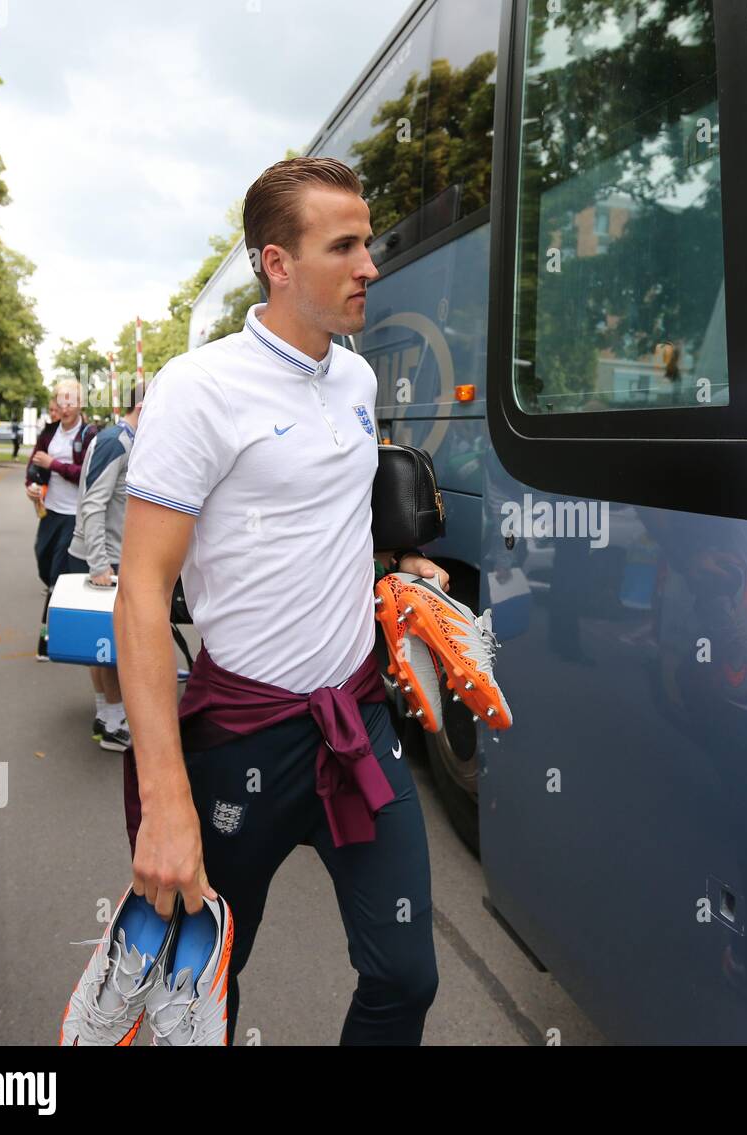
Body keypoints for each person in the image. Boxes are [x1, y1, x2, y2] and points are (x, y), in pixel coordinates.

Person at [116, 157, 447, 1045]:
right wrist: (166, 801)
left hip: (355, 720)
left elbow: (331, 513)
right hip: (242, 736)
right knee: (199, 996)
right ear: (278, 263)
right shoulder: (198, 387)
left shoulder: (356, 379)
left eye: (368, 242)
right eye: (344, 245)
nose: (369, 264)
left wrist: (400, 565)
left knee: (405, 976)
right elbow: (142, 591)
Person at [65, 380, 145, 750]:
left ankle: (106, 715)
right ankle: (113, 722)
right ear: (144, 406)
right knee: (112, 649)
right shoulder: (118, 441)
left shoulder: (123, 439)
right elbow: (94, 504)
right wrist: (99, 565)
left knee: (101, 647)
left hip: (103, 557)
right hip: (102, 560)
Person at [26, 381, 98, 659]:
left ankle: (48, 641)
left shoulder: (90, 435)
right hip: (50, 512)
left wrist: (54, 465)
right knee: (42, 560)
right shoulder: (49, 433)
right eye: (61, 401)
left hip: (75, 515)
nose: (65, 407)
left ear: (80, 404)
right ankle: (61, 622)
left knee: (57, 574)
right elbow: (34, 465)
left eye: (71, 401)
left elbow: (88, 473)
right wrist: (31, 485)